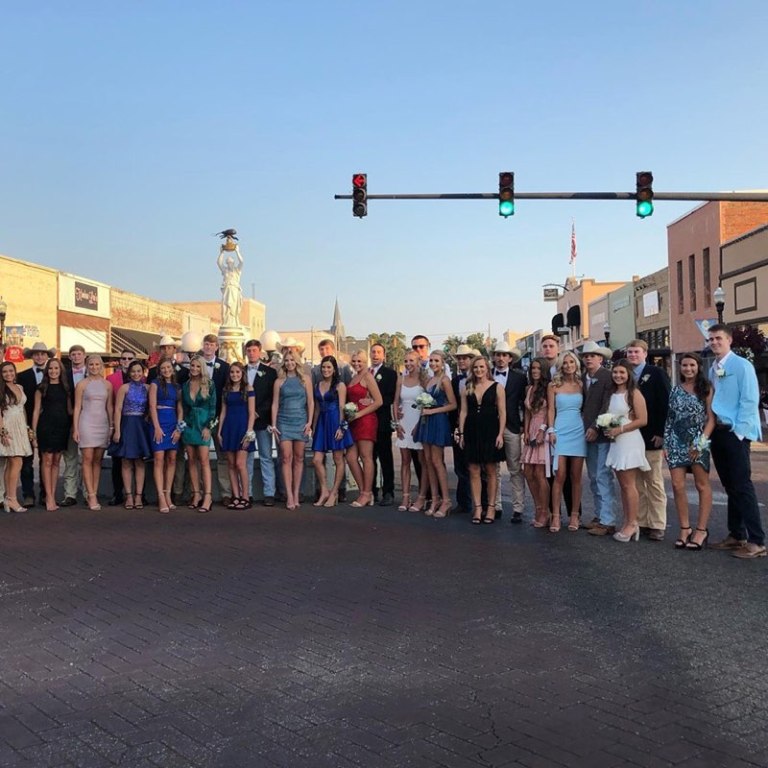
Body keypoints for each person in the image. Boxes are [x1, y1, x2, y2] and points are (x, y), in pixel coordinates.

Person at [706, 325, 765, 559]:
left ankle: (757, 540)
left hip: (735, 432)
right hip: (718, 431)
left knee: (742, 485)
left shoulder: (741, 365)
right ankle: (736, 534)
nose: (714, 342)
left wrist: (740, 432)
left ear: (729, 340)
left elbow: (750, 399)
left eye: (718, 338)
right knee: (730, 486)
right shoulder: (714, 367)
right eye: (711, 339)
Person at [663, 352, 714, 550]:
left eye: (692, 365)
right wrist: (666, 444)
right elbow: (670, 419)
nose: (688, 369)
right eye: (684, 365)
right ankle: (685, 528)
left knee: (702, 485)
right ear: (680, 367)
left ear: (698, 366)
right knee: (677, 485)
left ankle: (701, 530)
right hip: (676, 441)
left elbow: (711, 419)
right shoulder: (675, 390)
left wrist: (700, 443)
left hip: (698, 442)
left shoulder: (706, 388)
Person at [625, 340, 671, 541]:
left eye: (636, 351)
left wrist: (662, 433)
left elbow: (665, 403)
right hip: (631, 437)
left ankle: (658, 524)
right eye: (630, 352)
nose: (633, 355)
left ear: (645, 353)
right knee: (637, 483)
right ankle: (642, 521)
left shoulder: (656, 373)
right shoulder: (626, 376)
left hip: (652, 435)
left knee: (653, 481)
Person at [602, 359, 650, 543]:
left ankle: (632, 523)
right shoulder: (612, 393)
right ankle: (628, 521)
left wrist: (620, 430)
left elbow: (642, 419)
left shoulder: (634, 393)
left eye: (622, 372)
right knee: (623, 484)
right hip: (615, 441)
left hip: (629, 440)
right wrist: (608, 427)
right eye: (615, 372)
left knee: (629, 484)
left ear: (629, 374)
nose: (618, 376)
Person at [459, 356, 505, 525]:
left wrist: (500, 434)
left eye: (482, 367)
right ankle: (478, 507)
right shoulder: (467, 387)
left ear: (487, 368)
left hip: (490, 430)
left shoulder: (498, 387)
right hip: (471, 431)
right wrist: (462, 433)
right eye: (476, 367)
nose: (479, 370)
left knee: (491, 469)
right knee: (473, 469)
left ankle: (491, 507)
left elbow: (502, 412)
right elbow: (463, 412)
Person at [547, 351, 587, 533]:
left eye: (572, 362)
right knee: (559, 475)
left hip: (578, 430)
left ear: (576, 364)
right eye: (565, 362)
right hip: (560, 431)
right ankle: (555, 515)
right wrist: (551, 430)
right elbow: (550, 411)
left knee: (576, 476)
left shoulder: (581, 384)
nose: (569, 365)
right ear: (561, 365)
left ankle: (574, 515)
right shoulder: (553, 385)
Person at [580, 341, 617, 537]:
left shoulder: (607, 377)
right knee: (593, 476)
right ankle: (599, 515)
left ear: (600, 358)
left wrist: (596, 426)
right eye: (586, 356)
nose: (588, 358)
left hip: (602, 434)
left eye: (592, 356)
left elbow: (607, 405)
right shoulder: (583, 378)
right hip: (586, 435)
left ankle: (608, 520)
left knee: (603, 476)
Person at [414, 350, 457, 519]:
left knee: (437, 461)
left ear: (443, 362)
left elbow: (453, 405)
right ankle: (435, 498)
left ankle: (446, 500)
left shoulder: (445, 381)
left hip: (438, 420)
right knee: (428, 461)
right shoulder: (429, 380)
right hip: (426, 422)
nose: (433, 363)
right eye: (431, 360)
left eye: (436, 361)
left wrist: (434, 411)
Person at [271, 349, 314, 510]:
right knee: (286, 458)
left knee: (299, 458)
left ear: (297, 362)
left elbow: (310, 402)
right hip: (284, 422)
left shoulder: (305, 380)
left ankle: (296, 493)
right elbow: (275, 403)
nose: (289, 363)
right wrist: (274, 425)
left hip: (301, 421)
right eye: (286, 360)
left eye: (292, 360)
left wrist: (309, 422)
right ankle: (289, 494)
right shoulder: (279, 382)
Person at [72, 355, 113, 511]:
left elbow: (109, 407)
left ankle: (93, 492)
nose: (94, 367)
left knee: (98, 460)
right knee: (87, 458)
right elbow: (77, 408)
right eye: (91, 364)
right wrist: (75, 428)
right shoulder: (82, 384)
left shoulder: (107, 384)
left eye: (97, 364)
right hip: (86, 422)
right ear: (87, 366)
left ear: (101, 366)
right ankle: (90, 494)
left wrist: (111, 426)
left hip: (102, 423)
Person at [491, 341, 526, 523]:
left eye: (504, 355)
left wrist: (523, 425)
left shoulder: (519, 378)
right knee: (492, 468)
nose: (501, 358)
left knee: (515, 469)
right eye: (498, 354)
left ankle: (518, 508)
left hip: (512, 427)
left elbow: (525, 404)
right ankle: (495, 505)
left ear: (510, 358)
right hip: (490, 427)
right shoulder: (486, 375)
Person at [311, 355, 353, 507]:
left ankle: (334, 492)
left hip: (335, 421)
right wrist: (314, 427)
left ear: (334, 369)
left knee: (338, 459)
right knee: (316, 459)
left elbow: (342, 406)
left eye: (329, 367)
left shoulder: (340, 386)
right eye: (323, 367)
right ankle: (324, 491)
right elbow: (316, 408)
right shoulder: (318, 385)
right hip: (322, 422)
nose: (326, 370)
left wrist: (342, 427)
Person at [32, 358, 73, 511]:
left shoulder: (66, 388)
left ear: (60, 370)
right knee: (47, 460)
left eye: (56, 368)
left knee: (56, 461)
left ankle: (53, 495)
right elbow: (36, 411)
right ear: (47, 371)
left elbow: (70, 410)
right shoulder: (41, 388)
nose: (53, 371)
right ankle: (48, 497)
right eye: (51, 369)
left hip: (62, 427)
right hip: (46, 427)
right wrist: (33, 433)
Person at [110, 360, 151, 510]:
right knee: (126, 461)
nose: (136, 374)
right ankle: (128, 495)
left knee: (140, 461)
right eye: (133, 371)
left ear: (143, 372)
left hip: (141, 425)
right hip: (127, 424)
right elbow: (118, 409)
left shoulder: (148, 388)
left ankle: (139, 495)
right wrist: (117, 430)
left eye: (139, 371)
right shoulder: (124, 388)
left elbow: (152, 407)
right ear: (129, 372)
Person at [345, 350, 383, 508]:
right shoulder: (354, 377)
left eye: (359, 361)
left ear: (365, 362)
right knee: (351, 457)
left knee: (366, 457)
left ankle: (366, 493)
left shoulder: (368, 376)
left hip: (366, 420)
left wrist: (359, 413)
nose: (356, 364)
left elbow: (378, 401)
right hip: (353, 420)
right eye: (354, 361)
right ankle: (364, 491)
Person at [18, 341, 55, 506]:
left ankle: (45, 494)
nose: (40, 356)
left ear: (47, 356)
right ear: (32, 356)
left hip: (48, 424)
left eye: (43, 353)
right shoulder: (22, 376)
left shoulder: (54, 375)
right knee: (27, 460)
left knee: (46, 459)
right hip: (26, 422)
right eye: (37, 353)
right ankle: (28, 494)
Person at [243, 339, 278, 506]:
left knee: (266, 457)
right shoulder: (240, 371)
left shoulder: (270, 373)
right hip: (246, 422)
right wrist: (248, 413)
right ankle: (247, 493)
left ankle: (269, 493)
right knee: (247, 458)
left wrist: (258, 412)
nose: (251, 353)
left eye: (254, 350)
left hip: (263, 420)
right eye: (248, 350)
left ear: (260, 351)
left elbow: (272, 397)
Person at [217, 362, 256, 509]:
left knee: (241, 464)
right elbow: (223, 412)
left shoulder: (248, 388)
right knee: (231, 465)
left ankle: (246, 496)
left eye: (238, 372)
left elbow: (252, 413)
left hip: (243, 428)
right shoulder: (226, 390)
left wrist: (249, 432)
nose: (235, 375)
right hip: (228, 428)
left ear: (242, 373)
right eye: (232, 372)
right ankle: (236, 495)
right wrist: (220, 431)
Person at [393, 350, 428, 512]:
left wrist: (420, 424)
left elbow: (428, 403)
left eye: (411, 361)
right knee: (405, 461)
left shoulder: (424, 380)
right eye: (406, 361)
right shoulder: (401, 379)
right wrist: (396, 423)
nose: (408, 364)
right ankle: (406, 497)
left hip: (419, 423)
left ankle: (422, 498)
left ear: (419, 361)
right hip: (403, 422)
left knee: (423, 462)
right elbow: (395, 402)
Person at [181, 356, 216, 514]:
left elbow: (214, 409)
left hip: (203, 426)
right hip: (189, 426)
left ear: (202, 368)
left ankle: (207, 496)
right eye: (192, 366)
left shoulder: (209, 385)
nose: (194, 369)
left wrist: (209, 427)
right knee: (191, 461)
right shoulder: (185, 385)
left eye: (197, 366)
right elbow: (184, 409)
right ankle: (196, 494)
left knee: (204, 460)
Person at [199, 334, 231, 504]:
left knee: (223, 456)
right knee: (198, 457)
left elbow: (227, 391)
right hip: (199, 419)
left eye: (212, 344)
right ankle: (199, 492)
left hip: (219, 417)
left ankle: (226, 493)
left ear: (217, 347)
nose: (209, 347)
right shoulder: (195, 364)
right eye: (206, 344)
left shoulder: (225, 367)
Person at [149, 357, 183, 514]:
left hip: (173, 422)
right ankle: (160, 496)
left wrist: (179, 428)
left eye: (168, 367)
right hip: (159, 422)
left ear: (172, 368)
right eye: (163, 368)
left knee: (172, 459)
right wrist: (156, 426)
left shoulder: (177, 386)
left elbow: (180, 409)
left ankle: (168, 494)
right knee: (159, 458)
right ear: (159, 370)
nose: (166, 370)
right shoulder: (155, 384)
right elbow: (152, 406)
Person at [0, 361, 34, 512]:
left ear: (15, 372)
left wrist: (27, 428)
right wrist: (2, 432)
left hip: (20, 427)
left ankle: (9, 499)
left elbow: (23, 409)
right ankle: (12, 499)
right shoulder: (1, 389)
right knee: (16, 462)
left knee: (13, 464)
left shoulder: (20, 387)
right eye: (5, 372)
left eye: (11, 371)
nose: (8, 374)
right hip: (8, 427)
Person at [521, 358, 551, 529]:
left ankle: (544, 512)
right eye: (533, 368)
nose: (535, 371)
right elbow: (527, 413)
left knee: (539, 473)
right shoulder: (529, 388)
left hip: (543, 430)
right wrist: (525, 431)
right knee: (528, 472)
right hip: (531, 429)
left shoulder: (549, 388)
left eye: (538, 368)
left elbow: (551, 410)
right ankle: (538, 507)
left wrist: (543, 430)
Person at [106, 348, 137, 506]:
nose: (126, 361)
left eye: (130, 358)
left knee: (137, 459)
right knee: (117, 460)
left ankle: (138, 494)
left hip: (136, 423)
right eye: (123, 358)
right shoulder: (111, 379)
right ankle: (117, 493)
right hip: (119, 422)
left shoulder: (142, 379)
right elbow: (110, 404)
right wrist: (112, 426)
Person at [449, 345, 477, 515]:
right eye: (459, 358)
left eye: (465, 358)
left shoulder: (479, 378)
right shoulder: (455, 380)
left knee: (476, 465)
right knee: (460, 466)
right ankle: (463, 502)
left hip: (475, 425)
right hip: (458, 426)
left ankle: (481, 503)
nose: (461, 361)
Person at [369, 343, 397, 506]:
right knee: (369, 458)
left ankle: (388, 491)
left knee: (385, 458)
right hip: (366, 422)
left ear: (384, 355)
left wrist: (373, 402)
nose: (375, 355)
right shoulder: (365, 373)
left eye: (379, 352)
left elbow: (389, 397)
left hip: (382, 421)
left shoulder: (390, 374)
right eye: (373, 352)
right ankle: (371, 490)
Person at [60, 344, 87, 506]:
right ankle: (70, 494)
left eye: (79, 354)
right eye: (73, 354)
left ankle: (87, 492)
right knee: (70, 457)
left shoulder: (92, 372)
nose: (76, 357)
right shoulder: (64, 374)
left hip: (89, 420)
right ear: (69, 357)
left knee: (87, 458)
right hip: (68, 420)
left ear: (84, 356)